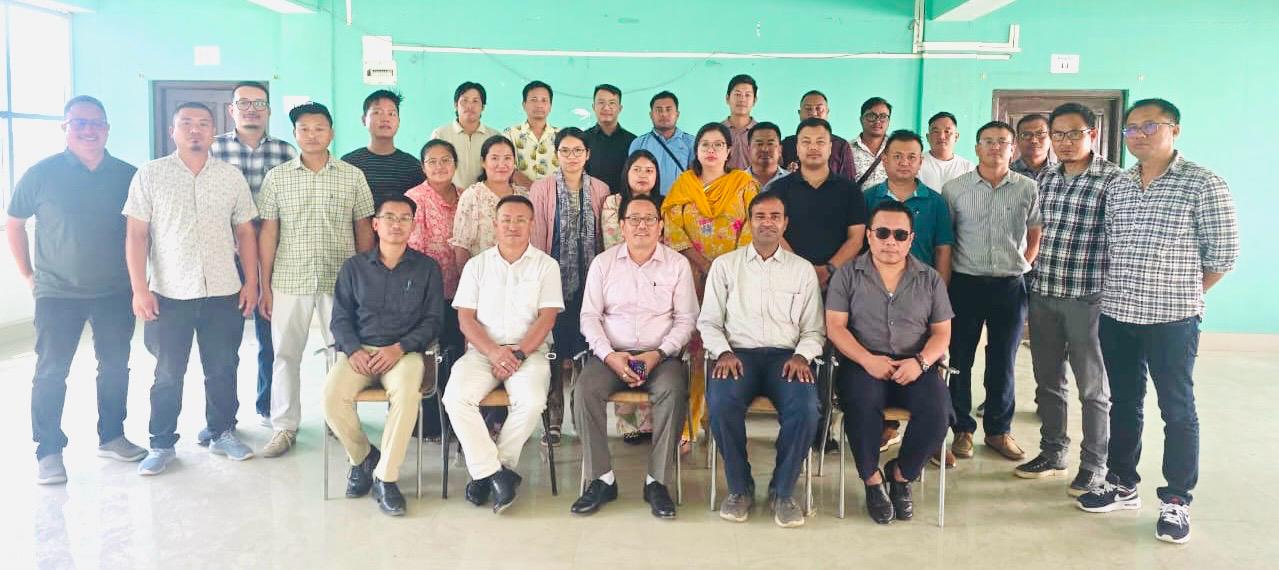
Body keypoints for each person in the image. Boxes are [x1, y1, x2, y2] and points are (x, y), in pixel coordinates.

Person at [1077, 99, 1238, 545]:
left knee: (1177, 408)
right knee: (1124, 401)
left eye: (1150, 126)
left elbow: (1223, 256)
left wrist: (1183, 293)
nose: (1139, 135)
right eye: (1131, 128)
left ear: (1175, 130)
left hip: (1173, 319)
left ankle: (1177, 499)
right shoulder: (1120, 185)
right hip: (1118, 313)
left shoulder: (1203, 183)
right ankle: (1122, 482)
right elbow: (1112, 244)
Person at [11, 96, 143, 484]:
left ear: (107, 129)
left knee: (115, 367)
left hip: (115, 291)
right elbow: (15, 223)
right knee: (51, 372)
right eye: (80, 123)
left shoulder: (128, 175)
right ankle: (48, 450)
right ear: (65, 128)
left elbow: (141, 231)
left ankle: (112, 436)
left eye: (96, 123)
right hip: (57, 293)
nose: (89, 130)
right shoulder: (41, 173)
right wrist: (29, 276)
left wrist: (141, 283)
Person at [122, 102, 259, 475]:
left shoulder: (230, 176)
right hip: (169, 294)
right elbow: (136, 235)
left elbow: (246, 232)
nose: (195, 130)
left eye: (203, 124)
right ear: (173, 131)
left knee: (223, 368)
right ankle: (162, 443)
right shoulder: (151, 174)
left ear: (214, 131)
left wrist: (251, 282)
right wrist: (139, 288)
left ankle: (222, 432)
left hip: (223, 291)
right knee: (168, 373)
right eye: (186, 123)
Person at [257, 102, 376, 458]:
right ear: (295, 134)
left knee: (341, 353)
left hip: (340, 280)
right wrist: (264, 284)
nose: (312, 135)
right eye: (304, 129)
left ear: (331, 133)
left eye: (319, 128)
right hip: (289, 278)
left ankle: (340, 421)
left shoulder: (352, 176)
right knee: (284, 353)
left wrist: (364, 282)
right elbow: (268, 232)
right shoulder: (277, 177)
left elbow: (364, 229)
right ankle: (284, 426)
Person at [699, 192, 824, 528]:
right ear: (749, 222)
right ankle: (739, 488)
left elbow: (815, 329)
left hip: (787, 358)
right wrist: (723, 351)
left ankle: (783, 491)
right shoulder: (726, 266)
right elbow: (708, 322)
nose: (767, 223)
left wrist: (802, 356)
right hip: (737, 356)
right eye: (760, 216)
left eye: (775, 216)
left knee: (806, 408)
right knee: (721, 403)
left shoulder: (802, 270)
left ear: (785, 223)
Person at [1016, 103, 1123, 494]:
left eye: (1073, 133)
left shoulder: (1114, 180)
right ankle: (1052, 451)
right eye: (1057, 134)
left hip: (1088, 300)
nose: (1064, 142)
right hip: (1044, 294)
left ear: (1092, 134)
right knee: (1048, 381)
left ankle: (1094, 465)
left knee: (1092, 389)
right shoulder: (1045, 178)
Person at [572, 194, 698, 519]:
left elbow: (686, 320)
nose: (642, 225)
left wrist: (658, 353)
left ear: (660, 225)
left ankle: (657, 481)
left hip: (661, 357)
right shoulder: (603, 264)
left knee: (673, 391)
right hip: (611, 355)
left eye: (649, 219)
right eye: (634, 219)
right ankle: (601, 479)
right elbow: (589, 317)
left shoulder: (677, 265)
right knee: (584, 390)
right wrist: (609, 355)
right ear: (622, 226)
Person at [826, 201, 953, 524]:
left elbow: (942, 333)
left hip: (915, 363)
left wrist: (921, 362)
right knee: (862, 404)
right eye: (882, 233)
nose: (890, 242)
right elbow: (835, 327)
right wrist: (867, 359)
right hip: (863, 361)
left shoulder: (930, 279)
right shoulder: (847, 275)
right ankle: (872, 480)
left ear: (911, 239)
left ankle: (901, 475)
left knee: (938, 411)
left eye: (899, 235)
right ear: (869, 236)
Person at [324, 196, 444, 517]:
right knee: (331, 397)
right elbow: (339, 318)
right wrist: (353, 349)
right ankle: (364, 457)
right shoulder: (354, 268)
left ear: (413, 226)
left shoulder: (427, 268)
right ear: (375, 224)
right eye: (389, 217)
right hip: (360, 352)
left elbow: (434, 320)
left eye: (404, 218)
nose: (396, 224)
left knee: (406, 394)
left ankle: (385, 478)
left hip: (404, 353)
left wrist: (400, 347)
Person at [443, 195, 563, 514]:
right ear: (494, 224)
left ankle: (490, 473)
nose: (513, 226)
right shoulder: (477, 265)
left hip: (530, 352)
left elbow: (547, 318)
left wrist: (518, 354)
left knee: (532, 401)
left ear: (531, 224)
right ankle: (496, 474)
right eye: (506, 219)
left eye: (520, 219)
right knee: (455, 398)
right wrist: (495, 352)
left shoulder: (546, 266)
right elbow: (465, 319)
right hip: (483, 351)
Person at [942, 120, 1042, 464]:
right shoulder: (955, 189)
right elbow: (948, 237)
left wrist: (1025, 263)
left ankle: (999, 430)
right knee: (960, 359)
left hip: (1009, 285)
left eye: (1002, 141)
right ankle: (962, 429)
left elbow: (1035, 231)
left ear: (1012, 149)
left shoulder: (1027, 188)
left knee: (1003, 360)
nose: (995, 147)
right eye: (988, 141)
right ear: (976, 148)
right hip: (965, 283)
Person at [662, 122, 760, 455]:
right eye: (705, 144)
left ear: (729, 150)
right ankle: (688, 425)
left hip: (733, 279)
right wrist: (703, 265)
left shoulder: (744, 184)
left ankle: (717, 421)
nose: (712, 150)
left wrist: (722, 269)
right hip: (689, 278)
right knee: (692, 351)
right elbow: (673, 230)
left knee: (722, 350)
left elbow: (752, 227)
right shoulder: (683, 185)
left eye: (719, 144)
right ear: (697, 149)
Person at [861, 129, 956, 462]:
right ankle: (885, 427)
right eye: (897, 156)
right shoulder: (868, 198)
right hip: (875, 296)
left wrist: (938, 296)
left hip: (921, 298)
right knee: (879, 359)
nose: (904, 162)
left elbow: (943, 250)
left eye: (911, 157)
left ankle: (932, 439)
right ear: (884, 160)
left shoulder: (935, 202)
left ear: (921, 161)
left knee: (930, 365)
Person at [210, 81, 297, 432]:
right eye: (243, 103)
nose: (251, 109)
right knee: (222, 343)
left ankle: (267, 406)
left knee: (270, 338)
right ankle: (221, 420)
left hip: (270, 255)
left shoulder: (285, 152)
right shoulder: (214, 149)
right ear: (231, 110)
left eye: (259, 103)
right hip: (222, 257)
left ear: (269, 111)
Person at [529, 127, 610, 445]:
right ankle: (552, 419)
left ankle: (580, 417)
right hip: (553, 284)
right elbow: (537, 238)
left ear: (587, 154)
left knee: (583, 352)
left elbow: (603, 238)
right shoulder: (542, 188)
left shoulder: (600, 189)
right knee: (552, 352)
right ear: (557, 154)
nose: (572, 156)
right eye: (565, 150)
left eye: (578, 151)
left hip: (589, 285)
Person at [599, 150, 663, 442]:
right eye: (637, 169)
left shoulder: (665, 204)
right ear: (627, 173)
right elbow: (613, 240)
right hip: (620, 273)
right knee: (623, 339)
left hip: (658, 277)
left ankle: (657, 423)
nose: (643, 175)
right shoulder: (613, 203)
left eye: (649, 170)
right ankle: (632, 426)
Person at [406, 139, 467, 441]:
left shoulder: (467, 197)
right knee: (428, 358)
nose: (440, 166)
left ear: (455, 164)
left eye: (446, 160)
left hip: (464, 293)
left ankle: (457, 421)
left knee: (456, 357)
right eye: (432, 161)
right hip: (426, 295)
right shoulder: (414, 199)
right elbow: (414, 250)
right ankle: (428, 424)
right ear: (423, 167)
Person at [766, 118, 867, 289]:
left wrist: (828, 270)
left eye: (820, 142)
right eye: (806, 142)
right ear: (797, 148)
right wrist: (801, 271)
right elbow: (774, 233)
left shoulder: (850, 190)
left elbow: (856, 239)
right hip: (789, 280)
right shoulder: (778, 189)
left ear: (830, 148)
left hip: (839, 282)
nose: (813, 147)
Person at [450, 135, 529, 271]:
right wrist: (470, 280)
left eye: (507, 158)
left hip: (520, 274)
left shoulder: (525, 196)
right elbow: (461, 247)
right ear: (483, 162)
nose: (501, 164)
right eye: (494, 158)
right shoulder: (473, 196)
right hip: (483, 276)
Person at [342, 90, 426, 207]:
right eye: (377, 112)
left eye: (391, 114)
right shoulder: (348, 163)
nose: (385, 119)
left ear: (399, 121)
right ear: (364, 120)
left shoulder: (412, 166)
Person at [431, 81, 502, 189]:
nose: (470, 106)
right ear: (456, 105)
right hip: (450, 196)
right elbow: (432, 170)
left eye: (475, 101)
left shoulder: (494, 136)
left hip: (484, 196)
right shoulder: (440, 134)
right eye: (464, 100)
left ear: (483, 107)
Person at [628, 91, 694, 196]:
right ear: (651, 115)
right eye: (659, 110)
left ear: (677, 114)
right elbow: (631, 178)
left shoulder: (691, 143)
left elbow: (697, 178)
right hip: (648, 201)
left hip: (680, 202)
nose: (664, 114)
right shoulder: (638, 143)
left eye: (668, 109)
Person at [781, 90, 856, 179]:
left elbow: (850, 183)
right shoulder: (786, 144)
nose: (813, 114)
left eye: (819, 109)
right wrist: (786, 175)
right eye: (808, 109)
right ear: (799, 113)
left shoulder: (841, 146)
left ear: (827, 112)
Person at [504, 80, 558, 187]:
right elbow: (507, 167)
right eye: (534, 100)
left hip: (554, 195)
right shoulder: (510, 134)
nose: (539, 105)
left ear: (550, 106)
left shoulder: (561, 136)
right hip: (520, 195)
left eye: (544, 100)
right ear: (524, 105)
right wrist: (534, 190)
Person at [583, 84, 636, 193]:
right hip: (591, 200)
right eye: (601, 102)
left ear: (620, 108)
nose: (606, 108)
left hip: (623, 200)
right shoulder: (583, 139)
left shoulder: (633, 142)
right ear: (593, 107)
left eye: (612, 103)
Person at [918, 112, 973, 192]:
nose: (941, 137)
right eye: (936, 131)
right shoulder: (916, 163)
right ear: (928, 137)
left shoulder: (967, 168)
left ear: (956, 137)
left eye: (947, 131)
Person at [851, 97, 892, 189]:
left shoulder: (897, 148)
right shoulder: (847, 149)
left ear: (889, 120)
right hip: (857, 198)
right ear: (861, 119)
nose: (877, 121)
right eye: (871, 116)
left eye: (883, 116)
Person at [722, 74, 758, 170]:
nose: (742, 99)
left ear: (754, 100)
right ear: (727, 98)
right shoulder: (717, 132)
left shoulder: (762, 133)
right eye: (737, 94)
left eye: (747, 95)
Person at [1011, 114, 1057, 179]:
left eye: (1040, 134)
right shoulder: (1003, 173)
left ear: (1050, 137)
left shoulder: (1063, 174)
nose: (1034, 140)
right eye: (1026, 135)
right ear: (1017, 140)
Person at [745, 121, 789, 189]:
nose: (765, 149)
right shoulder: (736, 182)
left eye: (770, 144)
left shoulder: (793, 182)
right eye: (759, 144)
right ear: (749, 149)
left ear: (780, 149)